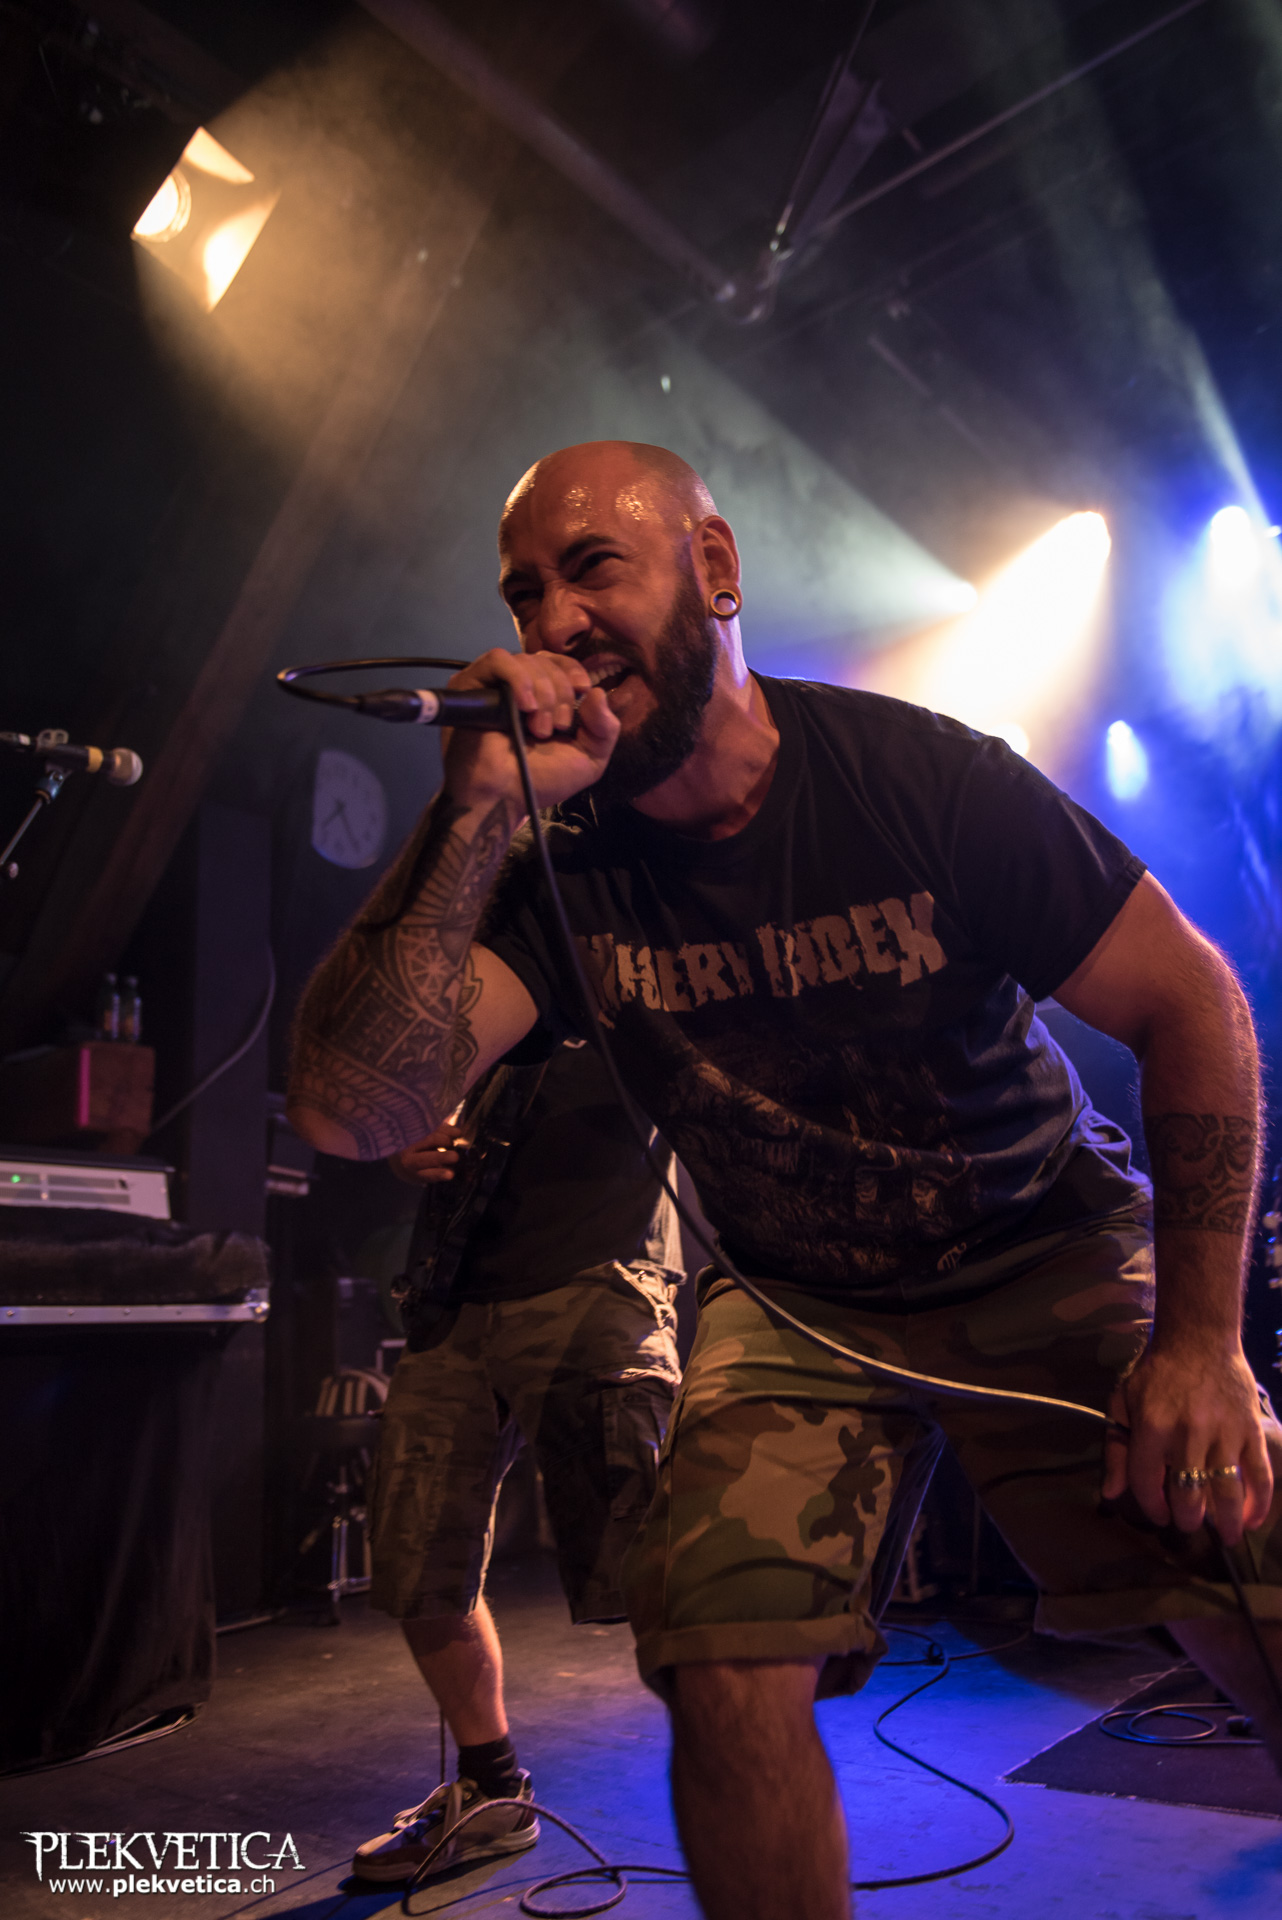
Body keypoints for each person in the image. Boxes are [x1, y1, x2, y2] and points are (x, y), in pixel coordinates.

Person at [288, 439, 1282, 1920]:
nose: (552, 621)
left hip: (1036, 1243)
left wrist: (1201, 1340)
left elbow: (1189, 1002)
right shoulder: (557, 857)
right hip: (796, 1299)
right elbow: (349, 1108)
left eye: (591, 568)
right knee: (717, 1654)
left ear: (714, 571)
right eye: (522, 592)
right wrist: (475, 809)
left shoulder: (917, 777)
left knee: (1250, 1578)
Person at [352, 1037, 683, 1884]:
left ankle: (750, 1779)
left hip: (597, 1271)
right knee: (419, 1563)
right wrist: (402, 1141)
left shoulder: (618, 964)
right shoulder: (466, 991)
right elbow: (408, 1106)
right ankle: (493, 1794)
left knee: (652, 1569)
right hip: (453, 1296)